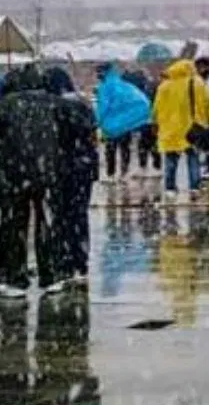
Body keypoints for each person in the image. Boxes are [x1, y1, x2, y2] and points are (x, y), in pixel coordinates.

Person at [0, 66, 86, 297]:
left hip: (12, 176)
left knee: (13, 226)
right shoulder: (56, 103)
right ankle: (51, 275)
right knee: (47, 223)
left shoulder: (5, 105)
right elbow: (81, 128)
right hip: (49, 173)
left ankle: (14, 279)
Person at [44, 67, 98, 289]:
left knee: (60, 216)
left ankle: (64, 263)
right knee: (79, 215)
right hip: (84, 168)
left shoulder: (53, 107)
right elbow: (93, 134)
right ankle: (81, 263)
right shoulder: (83, 104)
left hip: (62, 168)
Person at [152, 59, 209, 198]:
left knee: (170, 159)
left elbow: (156, 108)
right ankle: (194, 186)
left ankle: (170, 188)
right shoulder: (197, 83)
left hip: (170, 128)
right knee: (193, 157)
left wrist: (155, 123)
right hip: (191, 127)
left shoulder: (164, 86)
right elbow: (207, 103)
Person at [94, 63, 152, 184]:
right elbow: (141, 100)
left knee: (111, 150)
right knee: (124, 148)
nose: (97, 75)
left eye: (98, 72)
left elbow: (102, 107)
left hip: (112, 125)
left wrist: (97, 121)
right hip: (126, 124)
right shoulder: (124, 85)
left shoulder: (105, 87)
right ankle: (124, 173)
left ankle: (111, 174)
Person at [122, 67, 162, 176]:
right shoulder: (152, 86)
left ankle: (145, 166)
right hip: (150, 119)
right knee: (151, 143)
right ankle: (155, 166)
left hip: (145, 119)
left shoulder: (138, 89)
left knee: (144, 144)